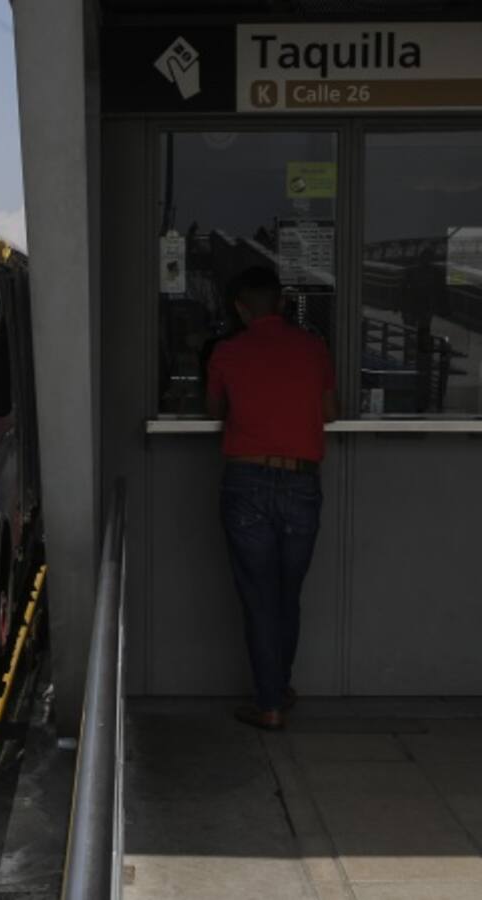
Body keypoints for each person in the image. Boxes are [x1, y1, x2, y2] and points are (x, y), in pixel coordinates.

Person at [206, 266, 338, 731]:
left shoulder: (227, 351)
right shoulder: (313, 349)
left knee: (259, 598)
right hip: (302, 483)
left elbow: (215, 411)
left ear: (241, 309)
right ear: (281, 302)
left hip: (246, 483)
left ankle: (270, 703)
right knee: (288, 594)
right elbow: (331, 412)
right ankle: (278, 687)